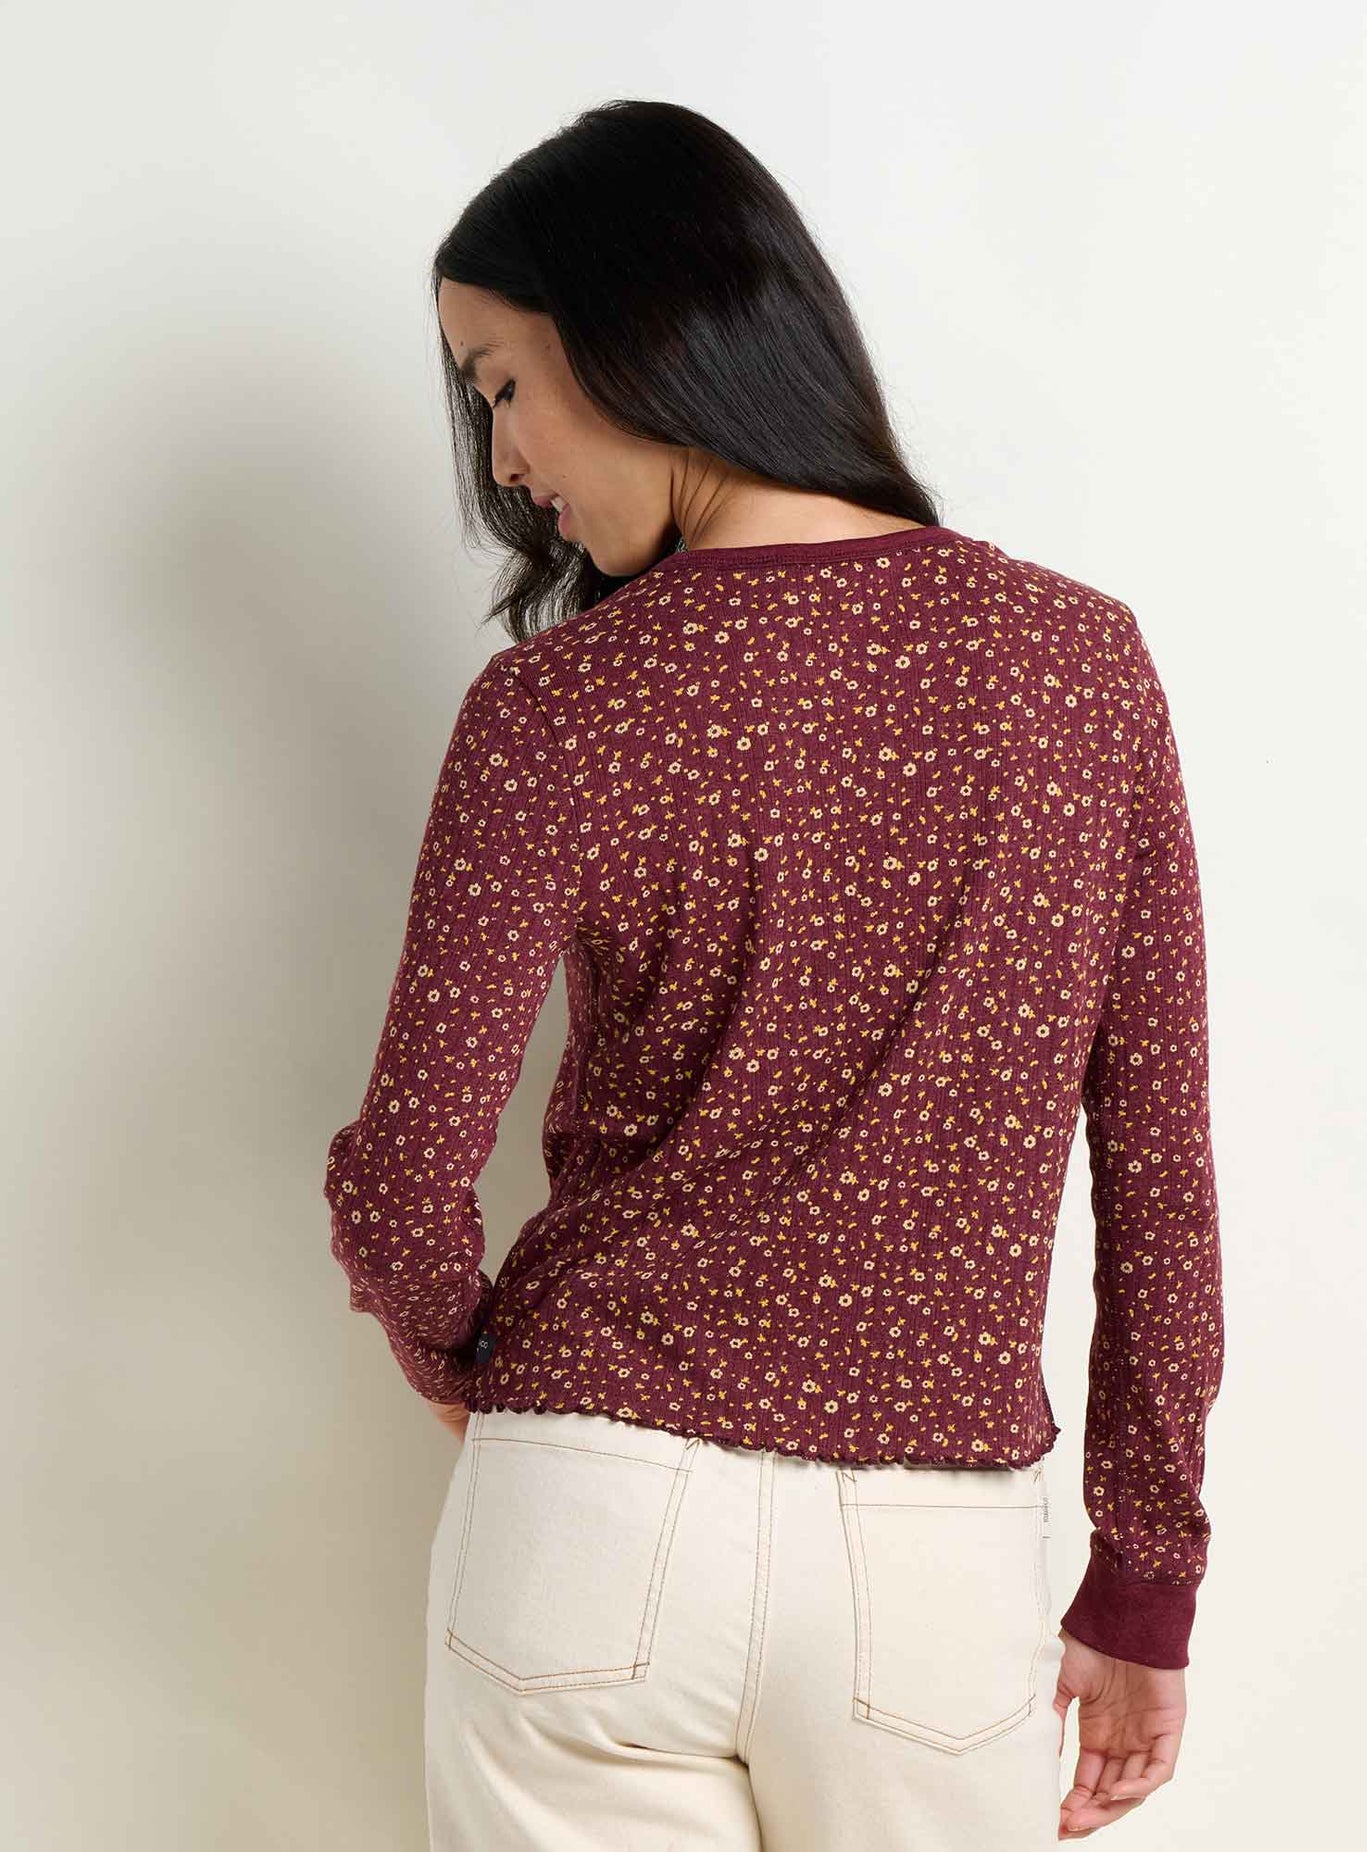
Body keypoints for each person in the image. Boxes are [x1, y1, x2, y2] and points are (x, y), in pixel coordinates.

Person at [323, 98, 1224, 1851]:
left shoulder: (559, 705)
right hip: (933, 1563)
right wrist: (1145, 1575)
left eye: (502, 384)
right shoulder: (1080, 669)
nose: (503, 461)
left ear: (637, 327)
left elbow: (406, 1179)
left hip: (585, 1520)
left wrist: (466, 1361)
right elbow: (1160, 1169)